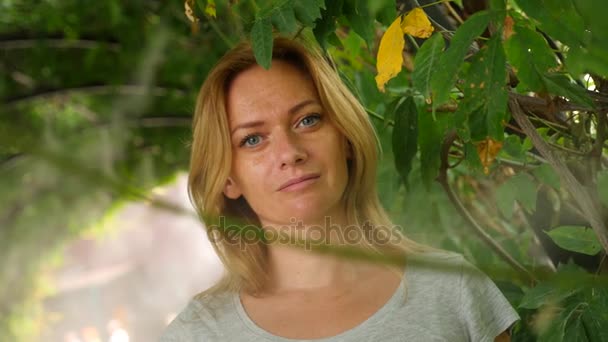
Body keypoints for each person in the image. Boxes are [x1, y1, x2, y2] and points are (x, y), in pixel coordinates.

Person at [160, 36, 519, 341]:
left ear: (345, 137)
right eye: (253, 139)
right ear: (228, 179)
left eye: (308, 119)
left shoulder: (452, 291)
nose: (290, 153)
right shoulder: (198, 333)